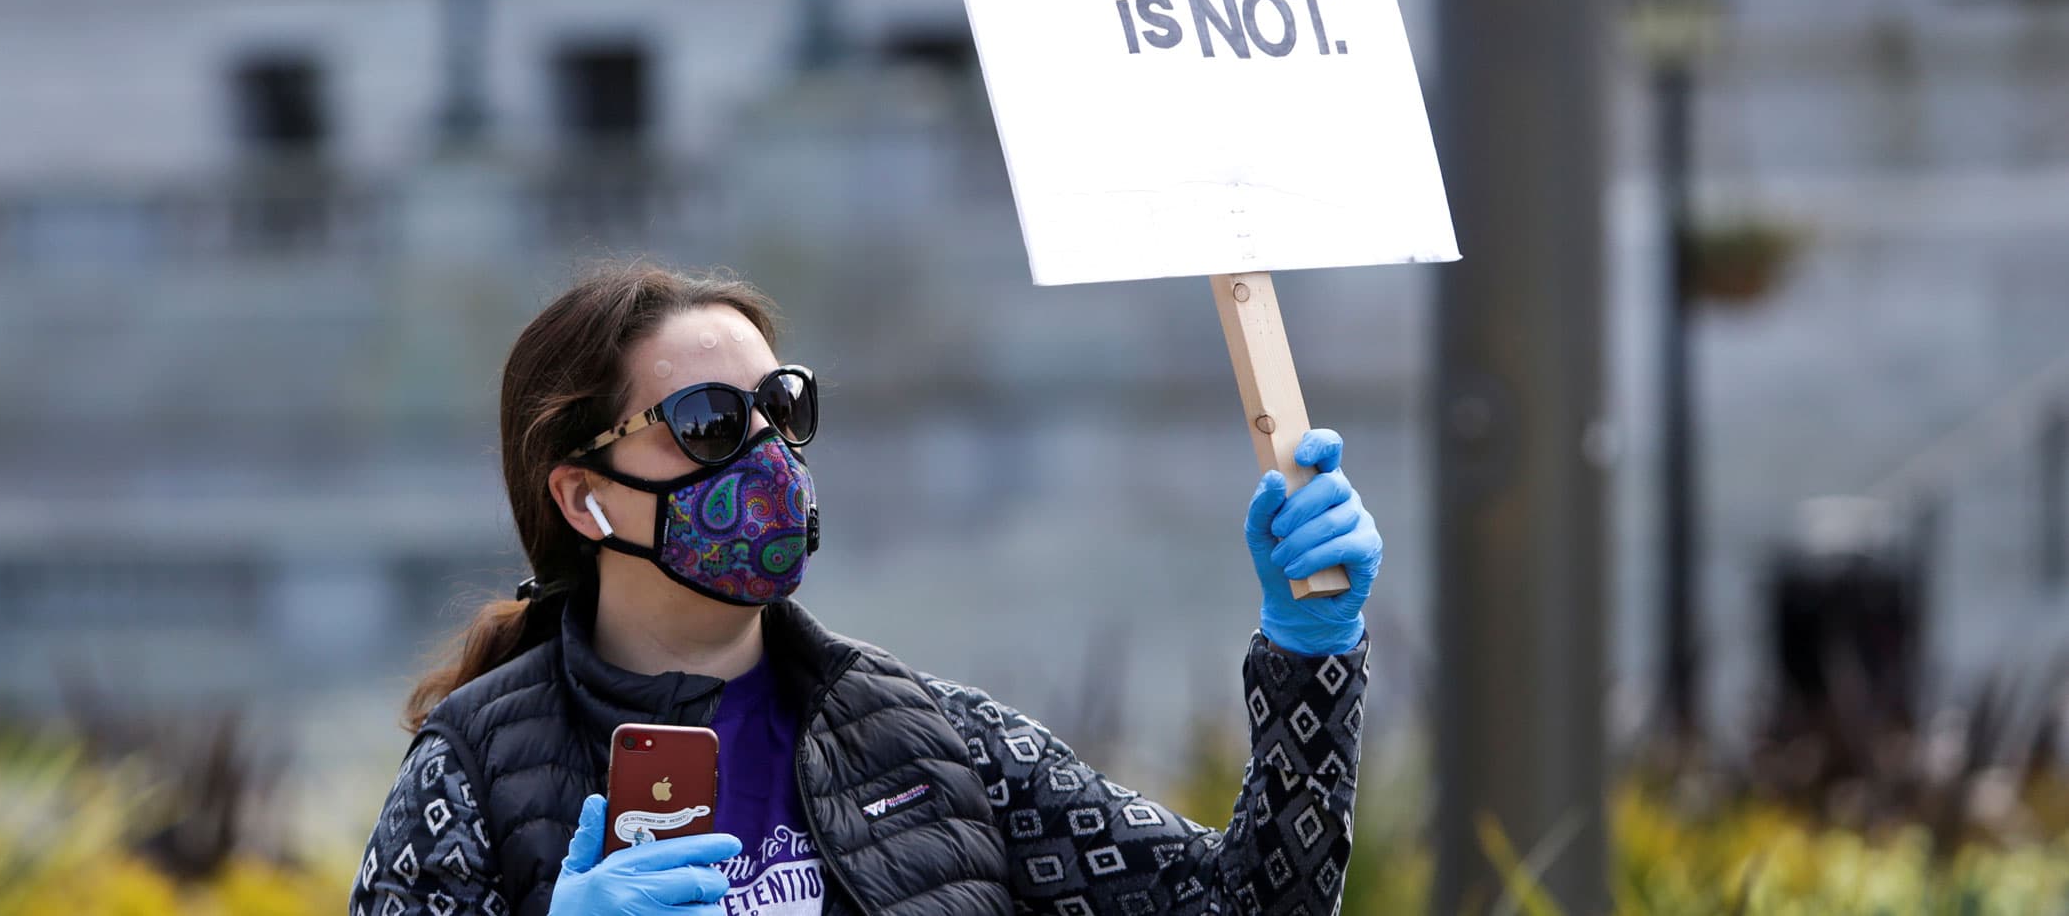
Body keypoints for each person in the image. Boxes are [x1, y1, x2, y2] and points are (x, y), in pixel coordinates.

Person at [351, 263, 1381, 916]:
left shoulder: (934, 737)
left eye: (781, 408)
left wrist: (1309, 649)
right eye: (710, 422)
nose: (763, 454)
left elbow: (1247, 901)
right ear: (583, 496)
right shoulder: (472, 774)